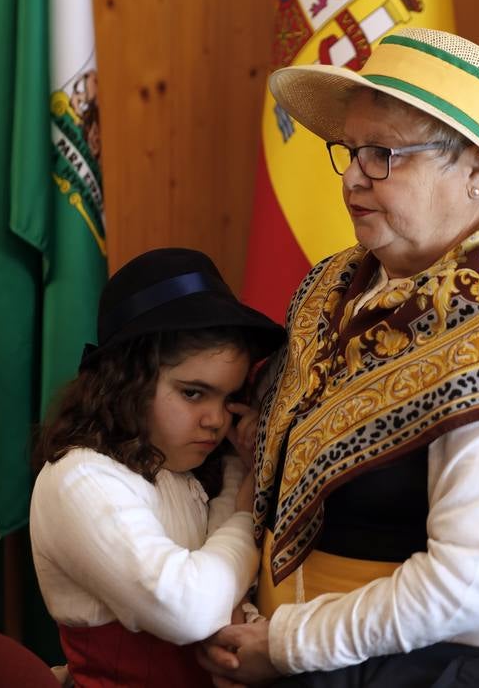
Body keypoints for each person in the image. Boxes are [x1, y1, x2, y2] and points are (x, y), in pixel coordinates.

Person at [198, 28, 479, 685]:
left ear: (477, 171)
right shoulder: (331, 285)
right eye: (350, 150)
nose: (353, 176)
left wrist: (288, 643)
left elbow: (474, 592)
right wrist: (231, 598)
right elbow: (271, 473)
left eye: (384, 153)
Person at [29, 247, 285, 688]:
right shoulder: (81, 477)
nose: (215, 419)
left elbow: (217, 568)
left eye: (228, 398)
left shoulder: (181, 469)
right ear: (127, 380)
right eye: (192, 393)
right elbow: (187, 609)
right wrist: (244, 513)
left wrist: (237, 476)